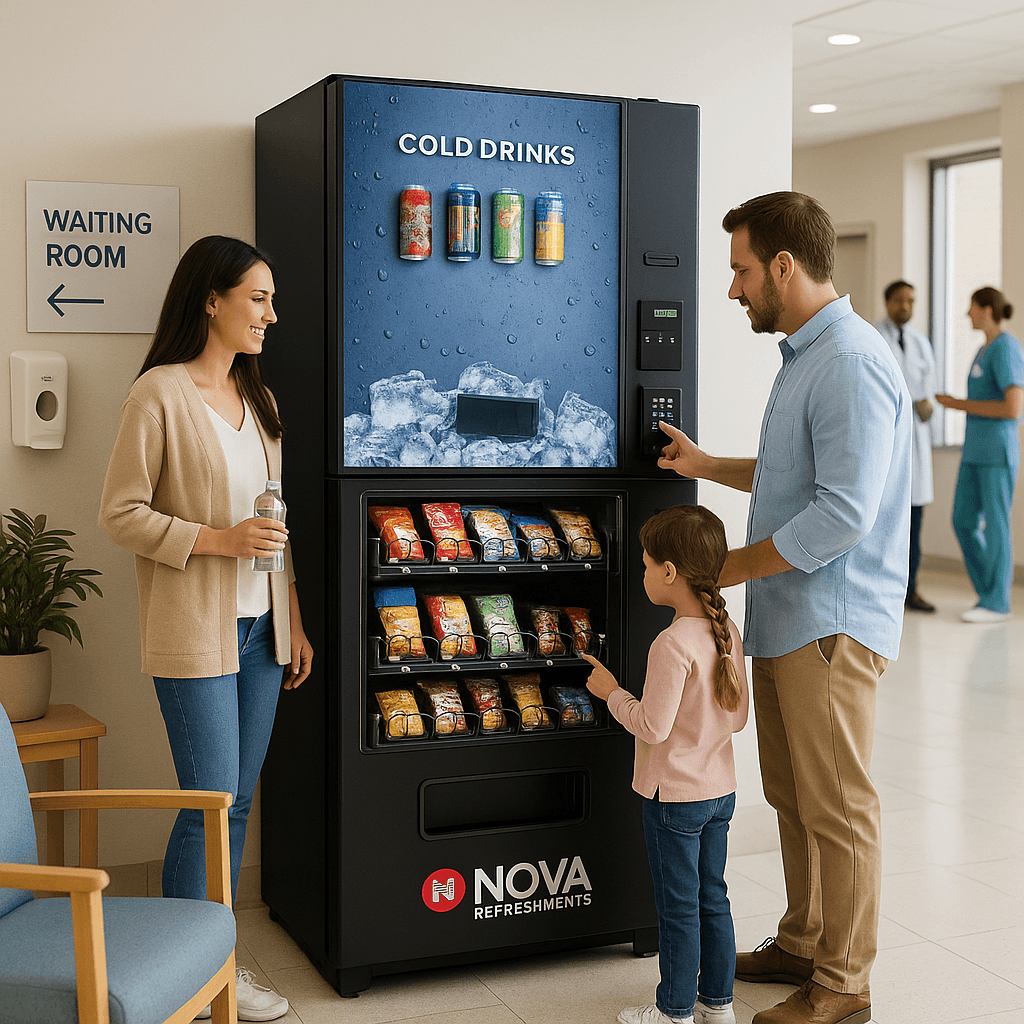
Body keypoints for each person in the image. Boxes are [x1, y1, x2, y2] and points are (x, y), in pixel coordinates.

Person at [658, 192, 911, 1024]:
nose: (732, 290)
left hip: (829, 624)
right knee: (795, 797)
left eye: (738, 271)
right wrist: (706, 463)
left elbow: (843, 512)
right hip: (790, 616)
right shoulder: (808, 357)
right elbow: (791, 476)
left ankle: (843, 984)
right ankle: (804, 941)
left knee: (838, 807)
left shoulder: (847, 360)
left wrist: (725, 568)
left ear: (782, 267)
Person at [99, 235, 313, 1022]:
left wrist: (293, 619)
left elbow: (275, 525)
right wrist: (214, 540)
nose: (270, 314)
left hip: (261, 635)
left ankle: (215, 964)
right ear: (211, 300)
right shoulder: (156, 394)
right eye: (257, 298)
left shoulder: (261, 403)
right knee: (209, 803)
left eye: (270, 299)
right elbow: (119, 512)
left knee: (240, 798)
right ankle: (191, 980)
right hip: (194, 633)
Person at [582, 504, 748, 1024]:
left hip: (673, 798)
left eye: (647, 563)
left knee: (677, 909)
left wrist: (612, 693)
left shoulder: (671, 643)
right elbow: (738, 719)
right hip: (719, 791)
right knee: (713, 900)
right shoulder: (726, 632)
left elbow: (652, 727)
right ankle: (717, 1006)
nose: (645, 573)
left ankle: (673, 1012)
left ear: (670, 573)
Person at [935, 286, 1024, 623]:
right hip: (974, 451)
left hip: (997, 453)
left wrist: (957, 404)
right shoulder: (981, 350)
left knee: (997, 526)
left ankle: (997, 601)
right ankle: (988, 593)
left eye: (971, 307)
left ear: (987, 309)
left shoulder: (1005, 349)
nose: (967, 314)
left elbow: (1014, 407)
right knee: (963, 520)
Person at [876, 280, 937, 612]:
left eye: (911, 301)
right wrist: (916, 400)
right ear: (887, 302)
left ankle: (910, 590)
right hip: (888, 439)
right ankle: (887, 589)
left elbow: (929, 396)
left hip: (917, 441)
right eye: (899, 300)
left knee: (914, 523)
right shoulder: (876, 337)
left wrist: (924, 404)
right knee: (885, 523)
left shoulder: (920, 343)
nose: (905, 307)